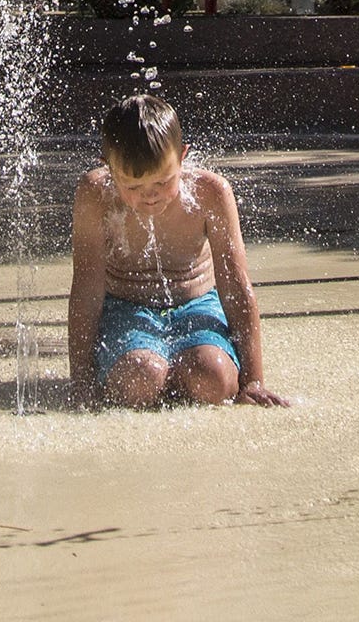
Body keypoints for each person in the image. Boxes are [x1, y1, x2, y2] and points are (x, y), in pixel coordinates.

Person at [68, 92, 286, 409]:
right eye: (132, 186)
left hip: (197, 303)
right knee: (139, 379)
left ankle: (192, 368)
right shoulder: (95, 194)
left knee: (214, 378)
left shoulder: (210, 192)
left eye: (163, 181)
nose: (150, 195)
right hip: (126, 307)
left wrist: (253, 381)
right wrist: (81, 383)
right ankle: (147, 368)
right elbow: (87, 290)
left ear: (182, 157)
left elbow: (235, 285)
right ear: (109, 169)